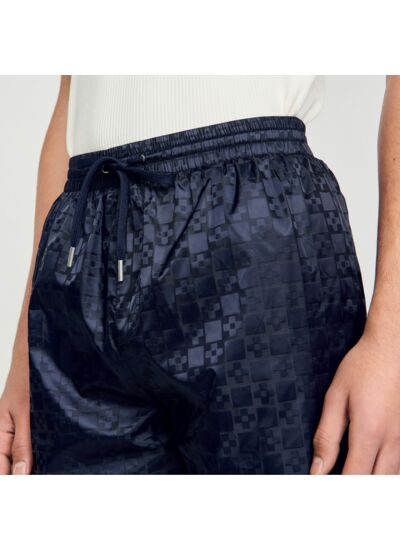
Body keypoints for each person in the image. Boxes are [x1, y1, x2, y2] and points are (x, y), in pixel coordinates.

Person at [0, 75, 398, 475]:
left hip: (248, 224)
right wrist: (26, 351)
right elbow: (71, 90)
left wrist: (392, 342)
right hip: (86, 224)